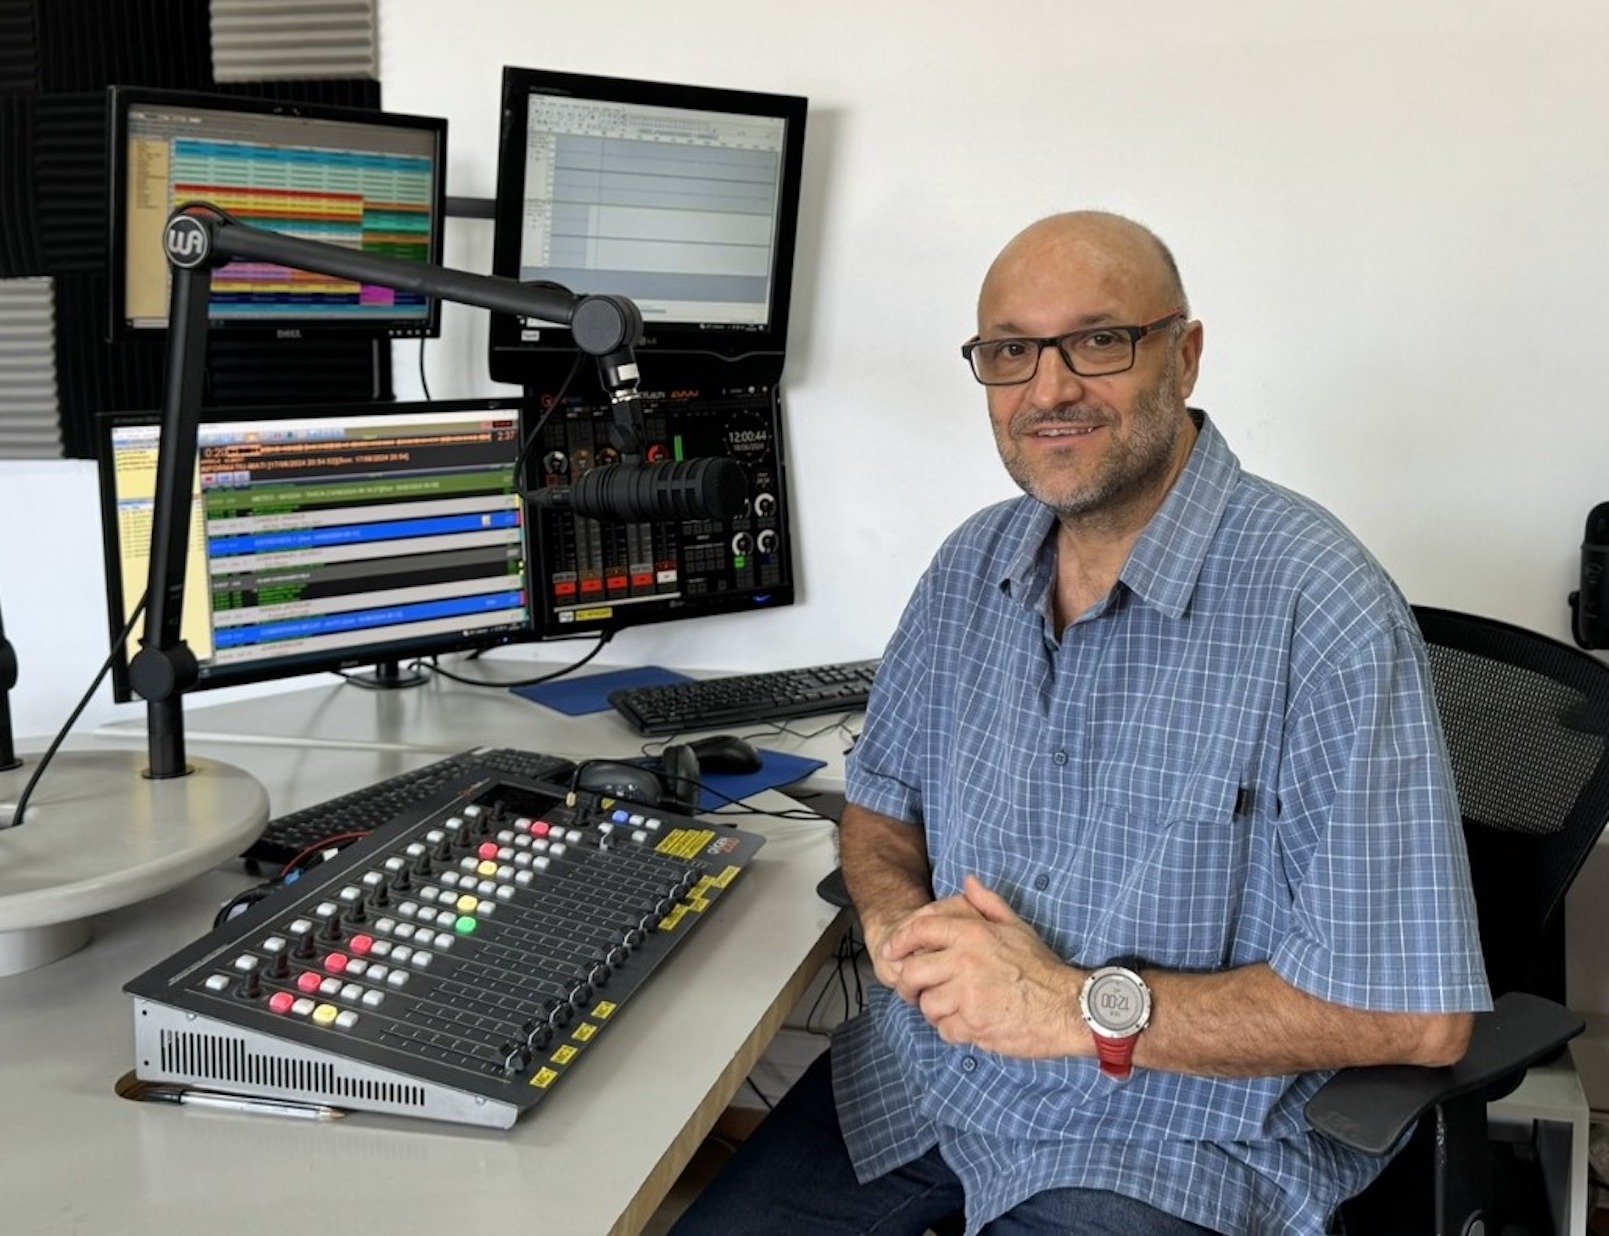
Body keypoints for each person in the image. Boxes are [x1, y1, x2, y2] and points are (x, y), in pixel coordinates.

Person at [668, 211, 1490, 1235]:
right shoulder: (970, 567)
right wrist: (895, 927)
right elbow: (881, 810)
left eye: (1099, 341)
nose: (1048, 390)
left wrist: (1068, 1005)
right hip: (928, 1084)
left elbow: (1413, 1018)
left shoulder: (1319, 609)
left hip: (1168, 1140)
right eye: (1010, 352)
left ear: (1183, 356)